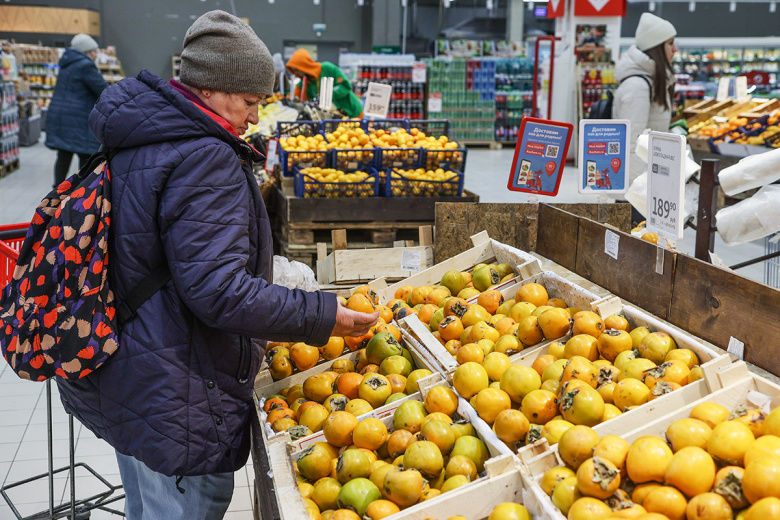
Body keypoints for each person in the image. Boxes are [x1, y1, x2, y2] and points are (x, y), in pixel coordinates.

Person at [55, 11, 378, 520]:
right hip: (175, 397)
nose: (254, 116)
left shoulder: (141, 133)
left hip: (129, 374)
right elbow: (219, 291)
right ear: (210, 89)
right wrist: (321, 316)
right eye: (249, 102)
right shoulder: (206, 156)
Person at [613, 12, 678, 184]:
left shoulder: (652, 82)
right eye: (670, 43)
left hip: (648, 180)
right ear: (656, 47)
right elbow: (631, 145)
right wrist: (638, 191)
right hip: (638, 188)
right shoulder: (638, 86)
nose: (675, 49)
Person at [45, 33, 109, 187]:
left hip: (62, 116)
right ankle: (82, 190)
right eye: (93, 52)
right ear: (86, 52)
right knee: (85, 153)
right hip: (78, 118)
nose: (95, 55)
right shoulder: (85, 65)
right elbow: (102, 89)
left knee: (64, 153)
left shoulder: (67, 63)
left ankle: (56, 191)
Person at [285, 48, 363, 117]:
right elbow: (294, 97)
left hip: (352, 112)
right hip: (331, 118)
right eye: (294, 71)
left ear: (304, 66)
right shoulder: (304, 83)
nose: (296, 74)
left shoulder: (328, 68)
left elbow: (346, 86)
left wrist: (329, 92)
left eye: (297, 70)